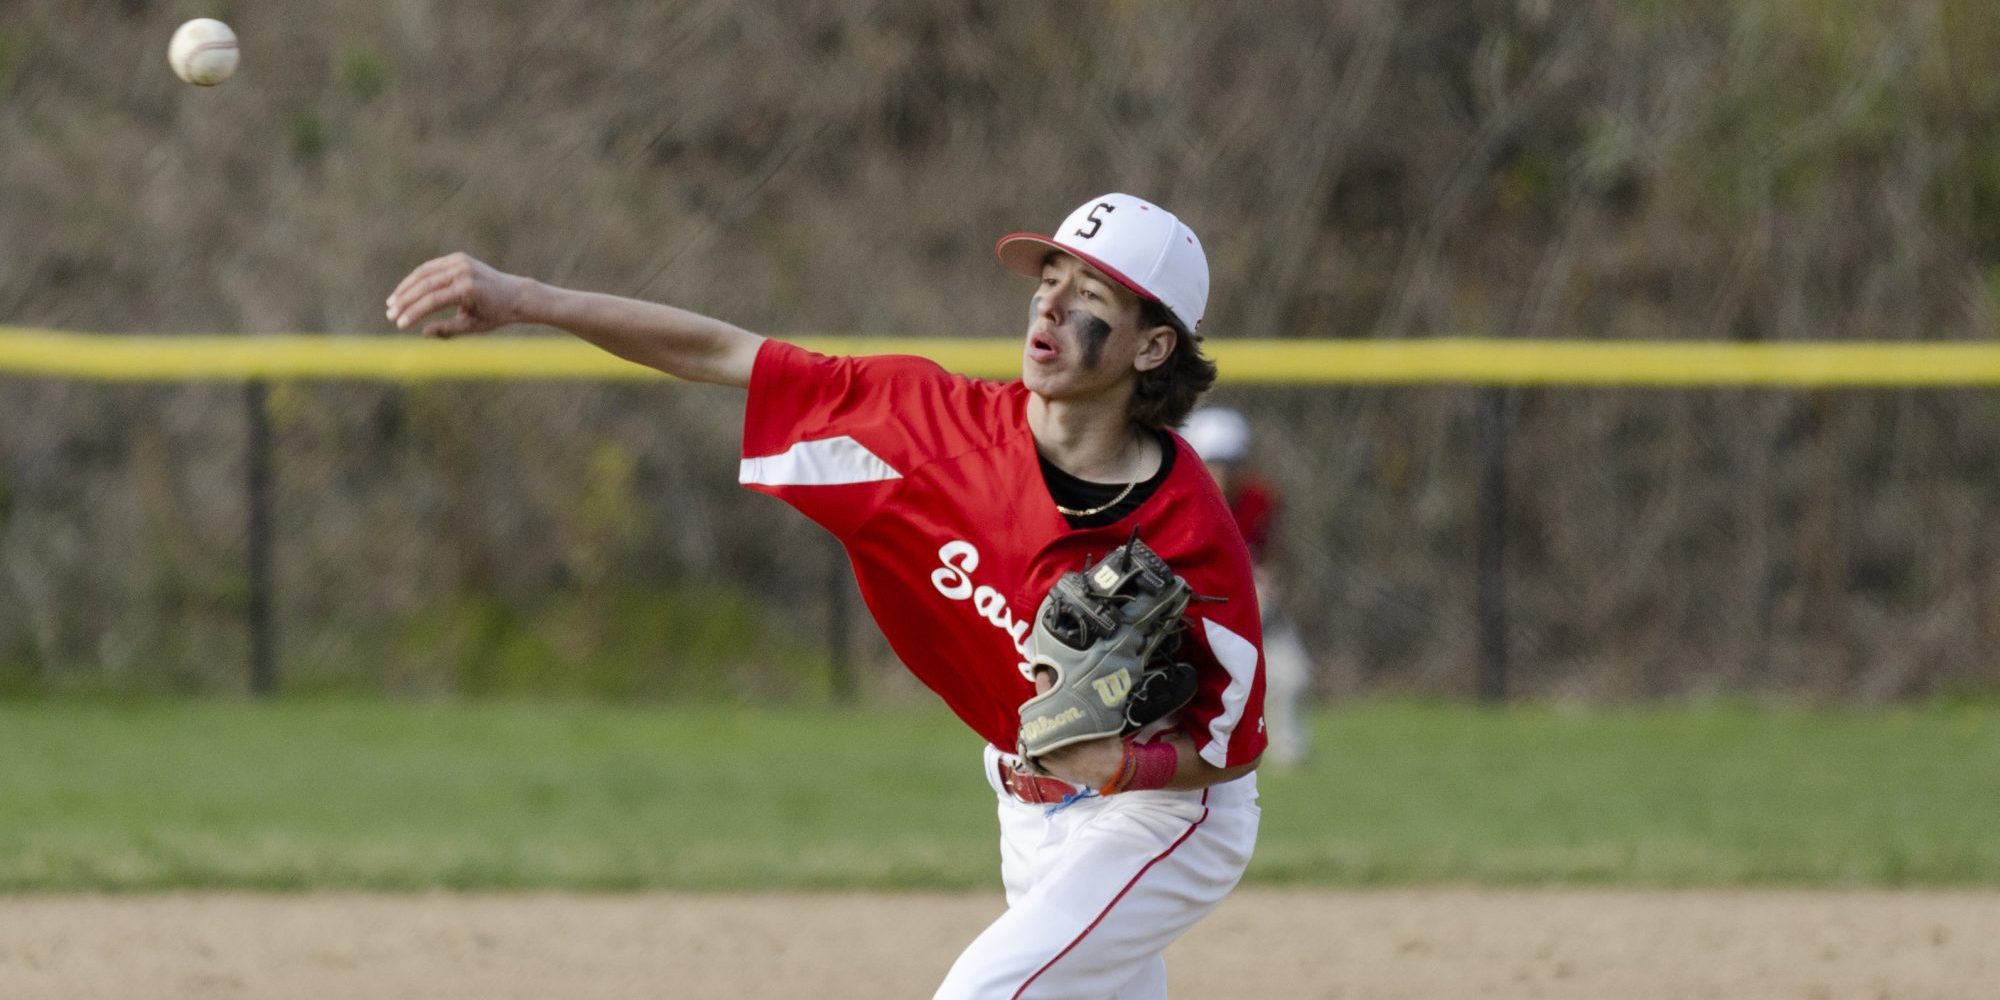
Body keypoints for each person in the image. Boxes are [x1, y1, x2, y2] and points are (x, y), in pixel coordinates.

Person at [385, 193, 1266, 999]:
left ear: (1153, 347)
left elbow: (1233, 746)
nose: (1049, 303)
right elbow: (724, 352)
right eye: (1051, 278)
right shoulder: (924, 428)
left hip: (1164, 815)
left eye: (1091, 299)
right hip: (1026, 805)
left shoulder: (1190, 531)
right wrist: (528, 299)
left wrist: (1126, 768)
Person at [1182, 406, 1312, 768]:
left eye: (1231, 462)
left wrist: (1270, 579)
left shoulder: (1258, 500)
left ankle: (1290, 756)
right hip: (1195, 611)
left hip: (1252, 607)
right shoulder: (1182, 501)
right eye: (1214, 461)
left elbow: (1271, 554)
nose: (1223, 472)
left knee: (1291, 675)